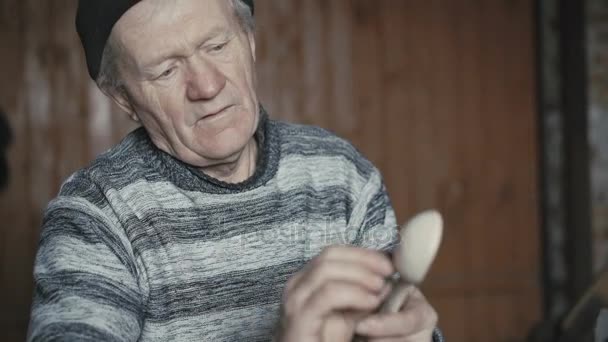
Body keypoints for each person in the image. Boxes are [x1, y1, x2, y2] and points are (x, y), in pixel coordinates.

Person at [27, 1, 443, 341]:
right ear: (124, 100)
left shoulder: (341, 176)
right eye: (166, 70)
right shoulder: (95, 214)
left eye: (216, 46)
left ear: (249, 40)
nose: (206, 86)